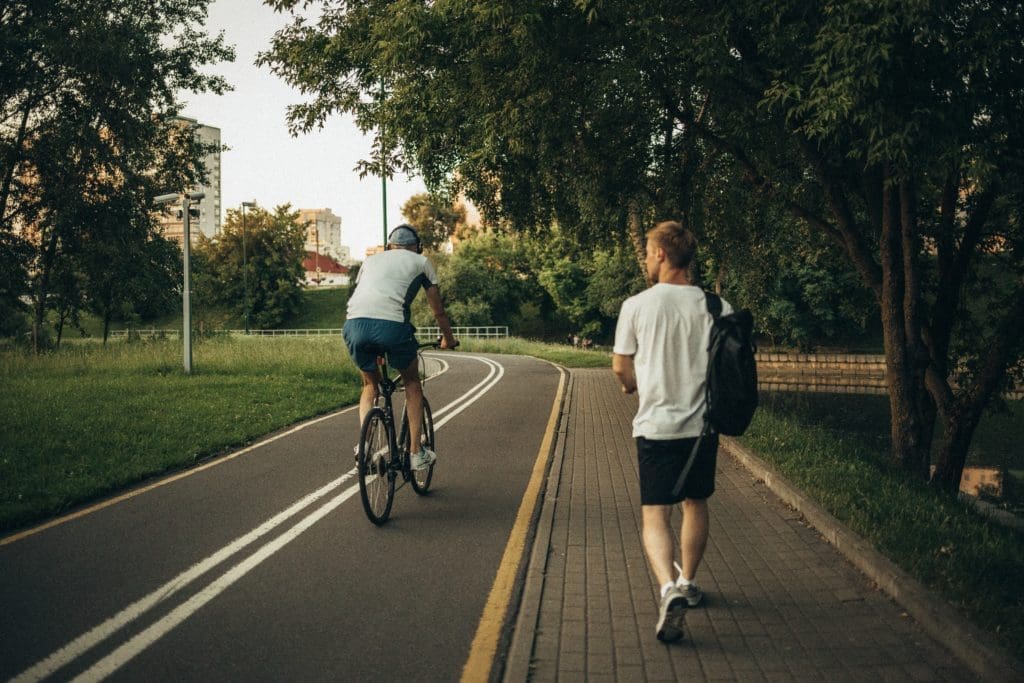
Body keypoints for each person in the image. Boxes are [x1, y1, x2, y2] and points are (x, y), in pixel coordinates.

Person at [611, 220, 731, 643]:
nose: (645, 258)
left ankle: (666, 586)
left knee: (655, 512)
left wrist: (634, 386)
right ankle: (688, 583)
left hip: (656, 427)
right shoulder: (718, 307)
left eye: (647, 251)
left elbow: (621, 367)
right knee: (696, 504)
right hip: (702, 428)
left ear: (662, 254)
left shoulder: (637, 306)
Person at [343, 224, 457, 470]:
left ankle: (364, 448)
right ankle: (416, 453)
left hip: (354, 325)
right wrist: (448, 338)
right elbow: (438, 310)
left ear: (389, 246)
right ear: (417, 247)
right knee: (412, 383)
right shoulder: (421, 262)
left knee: (370, 385)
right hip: (393, 327)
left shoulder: (370, 261)